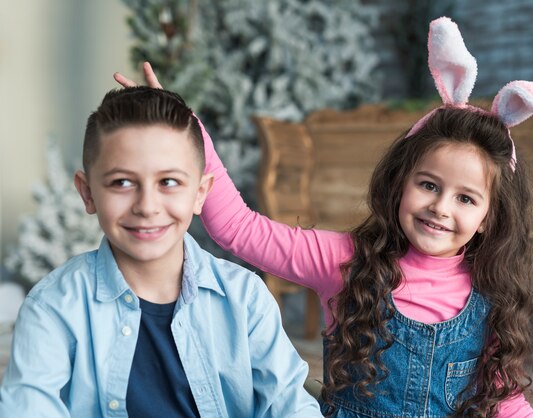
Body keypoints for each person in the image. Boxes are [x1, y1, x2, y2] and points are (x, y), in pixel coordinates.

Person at [117, 17, 533, 417]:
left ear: (489, 218)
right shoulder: (342, 260)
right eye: (429, 185)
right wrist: (188, 132)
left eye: (466, 199)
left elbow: (503, 402)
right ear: (399, 182)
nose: (440, 207)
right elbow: (237, 228)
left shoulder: (490, 292)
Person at [0, 87, 322, 417]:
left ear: (200, 194)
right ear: (88, 193)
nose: (147, 207)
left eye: (168, 182)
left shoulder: (246, 301)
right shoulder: (52, 308)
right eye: (122, 182)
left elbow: (292, 407)